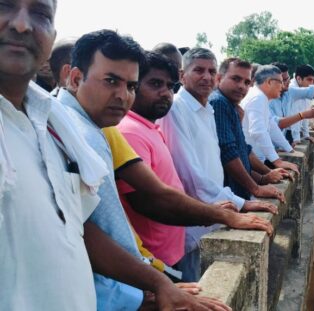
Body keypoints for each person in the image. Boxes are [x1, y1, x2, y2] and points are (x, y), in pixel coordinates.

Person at [59, 29, 229, 311]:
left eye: (131, 86)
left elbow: (90, 227)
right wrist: (150, 284)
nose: (123, 95)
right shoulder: (80, 133)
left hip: (128, 281)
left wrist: (150, 283)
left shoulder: (94, 126)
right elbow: (92, 233)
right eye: (111, 81)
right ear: (75, 78)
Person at [0, 1, 109, 309]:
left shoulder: (55, 124)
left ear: (51, 38)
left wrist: (154, 282)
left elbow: (73, 226)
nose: (22, 25)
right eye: (5, 5)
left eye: (41, 14)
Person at [158, 48, 277, 281]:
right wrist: (241, 203)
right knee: (193, 286)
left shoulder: (207, 109)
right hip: (192, 221)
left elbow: (221, 159)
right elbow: (189, 174)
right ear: (183, 75)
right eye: (199, 70)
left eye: (211, 71)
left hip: (211, 216)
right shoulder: (176, 110)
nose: (206, 76)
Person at [211, 57, 293, 201]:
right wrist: (257, 187)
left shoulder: (232, 105)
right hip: (230, 190)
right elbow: (229, 153)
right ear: (219, 78)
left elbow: (243, 148)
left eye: (247, 82)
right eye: (235, 79)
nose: (242, 86)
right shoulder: (220, 103)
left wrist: (264, 176)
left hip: (240, 184)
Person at [240, 65, 300, 172]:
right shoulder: (258, 98)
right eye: (280, 82)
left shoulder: (261, 97)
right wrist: (277, 161)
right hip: (250, 164)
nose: (282, 86)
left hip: (255, 161)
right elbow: (257, 131)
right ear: (269, 82)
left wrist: (289, 149)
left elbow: (272, 127)